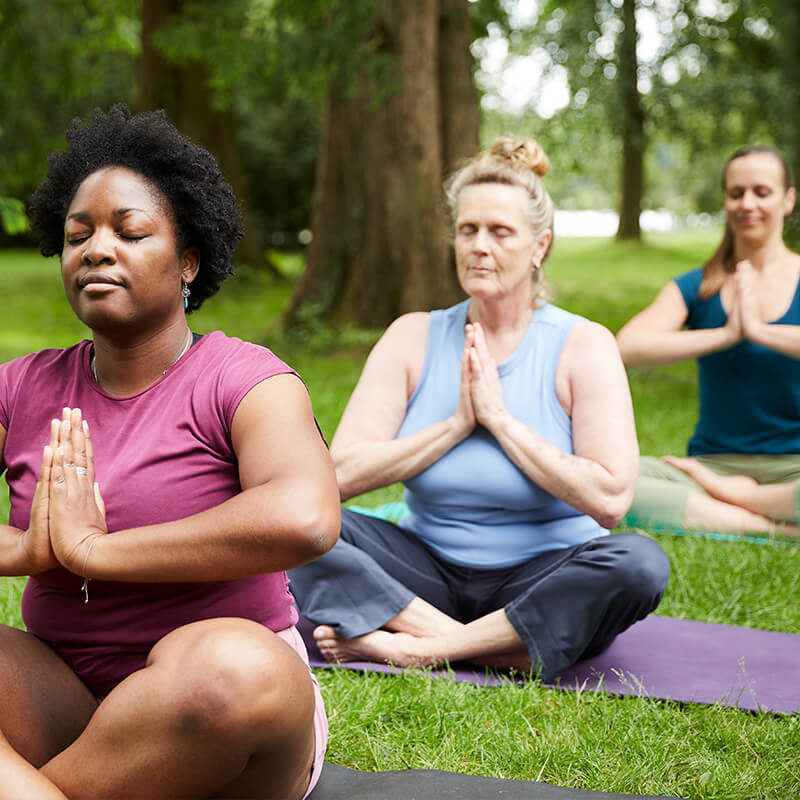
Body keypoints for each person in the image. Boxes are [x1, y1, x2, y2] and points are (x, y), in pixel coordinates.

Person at [0, 105, 340, 800]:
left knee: (236, 670)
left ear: (189, 261)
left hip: (212, 718)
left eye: (129, 232)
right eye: (77, 235)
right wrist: (26, 551)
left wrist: (94, 551)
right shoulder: (21, 385)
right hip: (63, 702)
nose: (96, 249)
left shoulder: (244, 380)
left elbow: (306, 517)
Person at [289, 137, 670, 682]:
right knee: (293, 521)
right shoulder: (412, 337)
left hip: (540, 576)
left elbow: (610, 500)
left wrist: (501, 422)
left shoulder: (584, 346)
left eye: (500, 232)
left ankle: (417, 648)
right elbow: (335, 478)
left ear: (540, 245)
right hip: (424, 570)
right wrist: (454, 426)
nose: (479, 247)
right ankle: (494, 645)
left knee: (638, 565)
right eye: (468, 230)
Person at [617, 145, 800, 535]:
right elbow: (626, 347)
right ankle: (776, 529)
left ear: (788, 199)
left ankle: (735, 503)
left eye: (761, 192)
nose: (747, 203)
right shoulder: (698, 285)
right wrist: (724, 335)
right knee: (610, 480)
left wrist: (760, 332)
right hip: (709, 467)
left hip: (793, 469)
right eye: (736, 193)